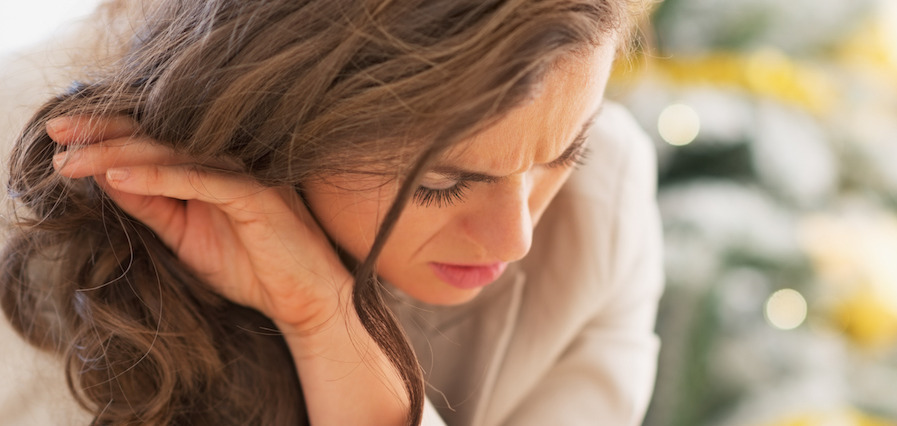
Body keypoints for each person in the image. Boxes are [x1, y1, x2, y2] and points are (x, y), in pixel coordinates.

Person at [0, 0, 662, 425]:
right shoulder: (41, 169)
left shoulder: (605, 201)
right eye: (441, 182)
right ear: (278, 115)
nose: (515, 236)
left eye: (563, 151)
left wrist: (328, 322)